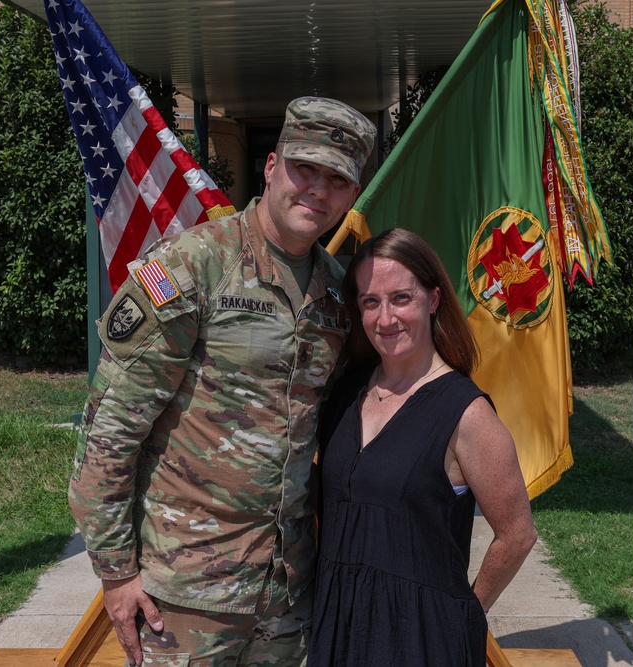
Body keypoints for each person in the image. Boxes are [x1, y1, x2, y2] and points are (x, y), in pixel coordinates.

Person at [69, 97, 377, 667]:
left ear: (351, 196)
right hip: (185, 593)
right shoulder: (196, 265)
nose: (316, 189)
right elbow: (110, 428)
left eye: (336, 179)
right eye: (304, 168)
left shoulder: (338, 293)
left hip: (286, 593)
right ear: (270, 166)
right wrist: (116, 573)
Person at [308, 228, 538, 666]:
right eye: (370, 302)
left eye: (401, 298)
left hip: (419, 639)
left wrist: (467, 614)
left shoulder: (466, 413)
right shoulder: (345, 393)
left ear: (433, 300)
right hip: (336, 629)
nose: (385, 318)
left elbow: (517, 534)